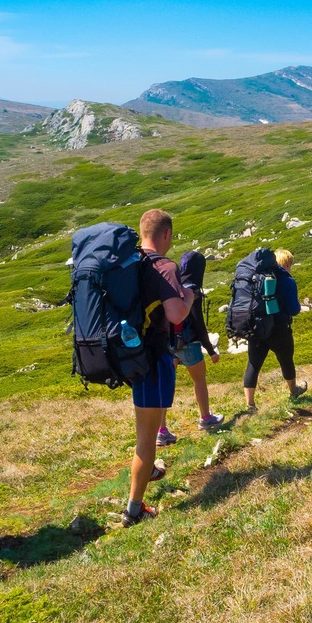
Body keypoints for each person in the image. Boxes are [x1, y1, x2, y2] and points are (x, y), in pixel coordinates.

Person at [124, 209, 194, 527]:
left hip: (131, 356)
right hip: (152, 358)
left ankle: (149, 471)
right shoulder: (164, 266)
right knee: (147, 438)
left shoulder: (130, 262)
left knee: (145, 431)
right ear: (165, 234)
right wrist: (190, 296)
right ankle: (134, 510)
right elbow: (177, 314)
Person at [243, 248, 305, 408]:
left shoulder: (256, 278)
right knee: (286, 361)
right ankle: (293, 391)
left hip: (256, 327)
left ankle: (250, 405)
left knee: (253, 364)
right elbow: (294, 310)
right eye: (290, 264)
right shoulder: (287, 280)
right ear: (287, 264)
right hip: (279, 328)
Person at [173, 250, 224, 431]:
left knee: (166, 386)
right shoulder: (192, 290)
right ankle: (205, 418)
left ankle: (161, 430)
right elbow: (198, 324)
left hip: (170, 343)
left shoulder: (174, 285)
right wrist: (210, 350)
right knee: (199, 381)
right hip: (189, 342)